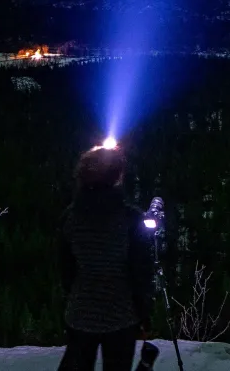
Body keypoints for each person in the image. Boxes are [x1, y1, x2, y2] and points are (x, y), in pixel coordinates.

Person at [58, 144, 156, 370]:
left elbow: (66, 269)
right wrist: (144, 313)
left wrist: (73, 298)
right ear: (117, 176)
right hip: (121, 315)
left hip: (80, 313)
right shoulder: (130, 218)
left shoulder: (71, 217)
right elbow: (140, 271)